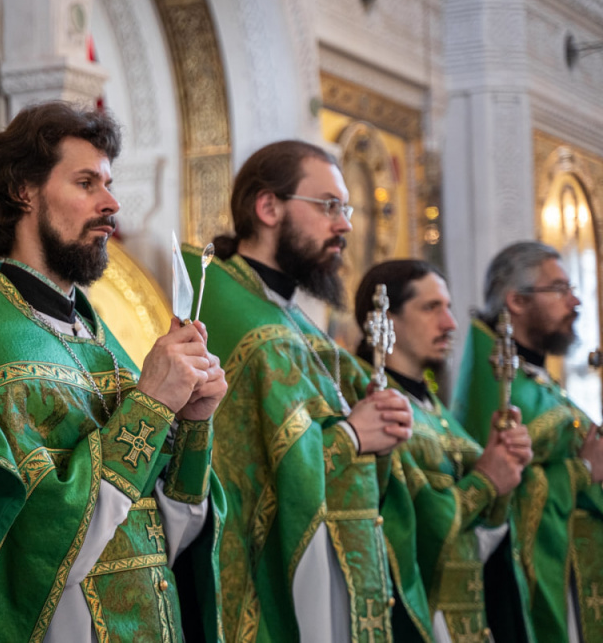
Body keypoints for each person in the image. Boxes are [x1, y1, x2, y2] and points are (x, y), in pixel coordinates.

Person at [0, 101, 227, 643]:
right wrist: (147, 407)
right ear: (23, 191)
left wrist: (192, 422)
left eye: (109, 183)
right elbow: (31, 544)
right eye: (86, 183)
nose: (111, 203)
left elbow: (163, 535)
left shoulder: (104, 341)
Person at [183, 140, 430, 642]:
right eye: (329, 207)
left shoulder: (293, 319)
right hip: (275, 589)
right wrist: (353, 439)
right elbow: (243, 472)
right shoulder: (232, 313)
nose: (345, 225)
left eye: (348, 208)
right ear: (268, 206)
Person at [355, 260, 534, 642]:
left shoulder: (437, 413)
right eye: (431, 308)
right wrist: (485, 480)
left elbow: (483, 532)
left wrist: (504, 473)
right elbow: (410, 523)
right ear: (386, 319)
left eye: (449, 307)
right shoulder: (375, 403)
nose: (450, 323)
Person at [454, 241, 603, 642]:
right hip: (519, 590)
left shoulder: (534, 376)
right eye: (559, 289)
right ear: (516, 301)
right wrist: (583, 471)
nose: (575, 301)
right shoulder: (499, 383)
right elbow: (512, 493)